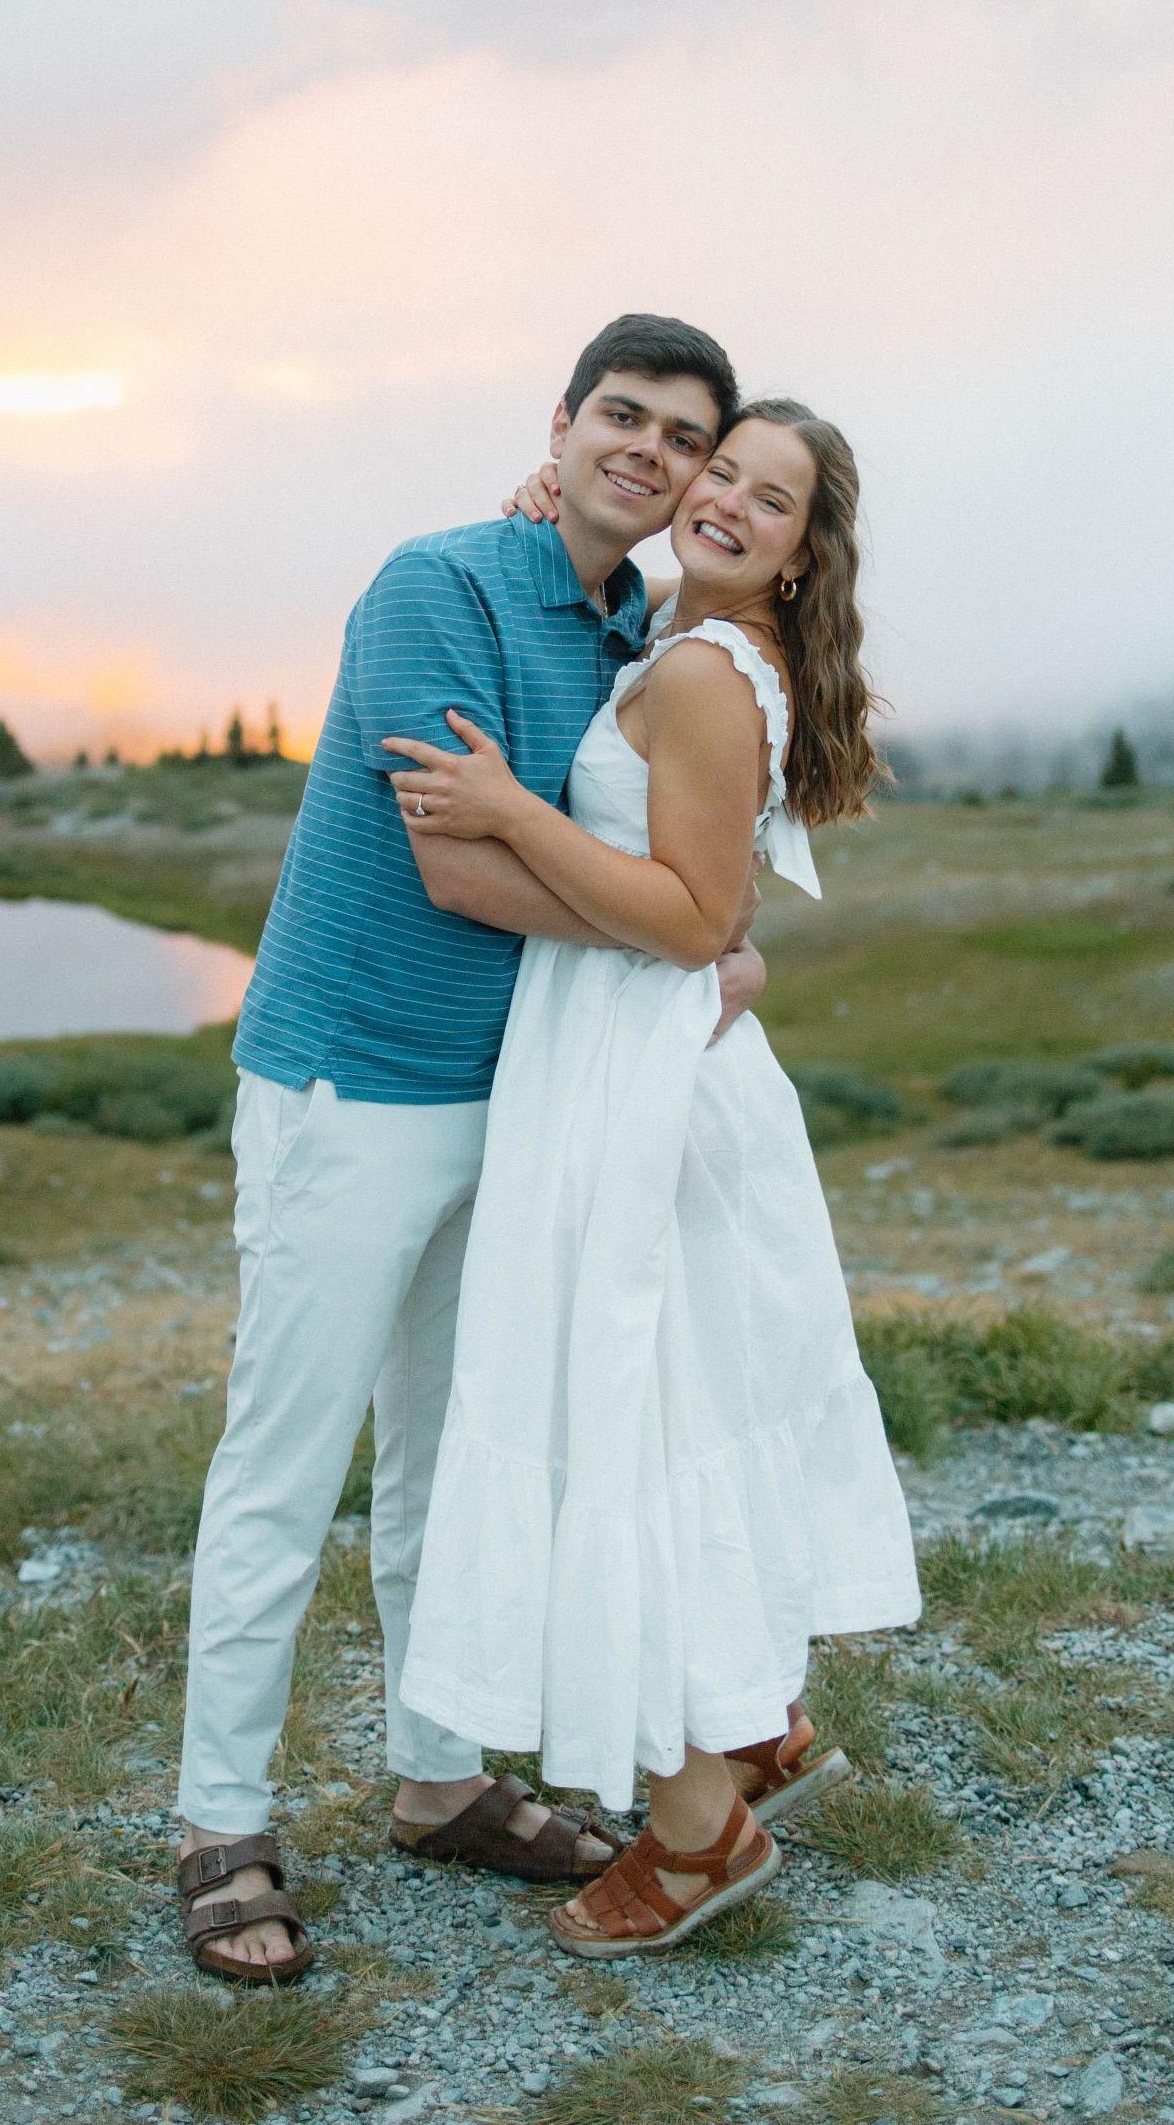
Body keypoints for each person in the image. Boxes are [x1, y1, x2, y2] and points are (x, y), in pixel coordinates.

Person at [171, 315, 772, 1985]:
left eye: (682, 441)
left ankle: (439, 1784)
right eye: (624, 419)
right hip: (351, 1091)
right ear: (565, 422)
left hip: (510, 1104)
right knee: (285, 1467)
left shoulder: (630, 625)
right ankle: (220, 1825)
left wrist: (681, 915)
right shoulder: (438, 583)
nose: (647, 454)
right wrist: (683, 937)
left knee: (452, 1458)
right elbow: (456, 864)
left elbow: (643, 847)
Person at [386, 400, 922, 1958]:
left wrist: (509, 813)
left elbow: (695, 919)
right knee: (675, 1401)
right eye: (723, 474)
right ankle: (753, 1727)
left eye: (774, 499)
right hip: (636, 1063)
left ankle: (698, 1837)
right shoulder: (689, 646)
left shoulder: (699, 672)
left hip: (634, 1079)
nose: (735, 505)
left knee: (617, 1418)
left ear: (807, 553)